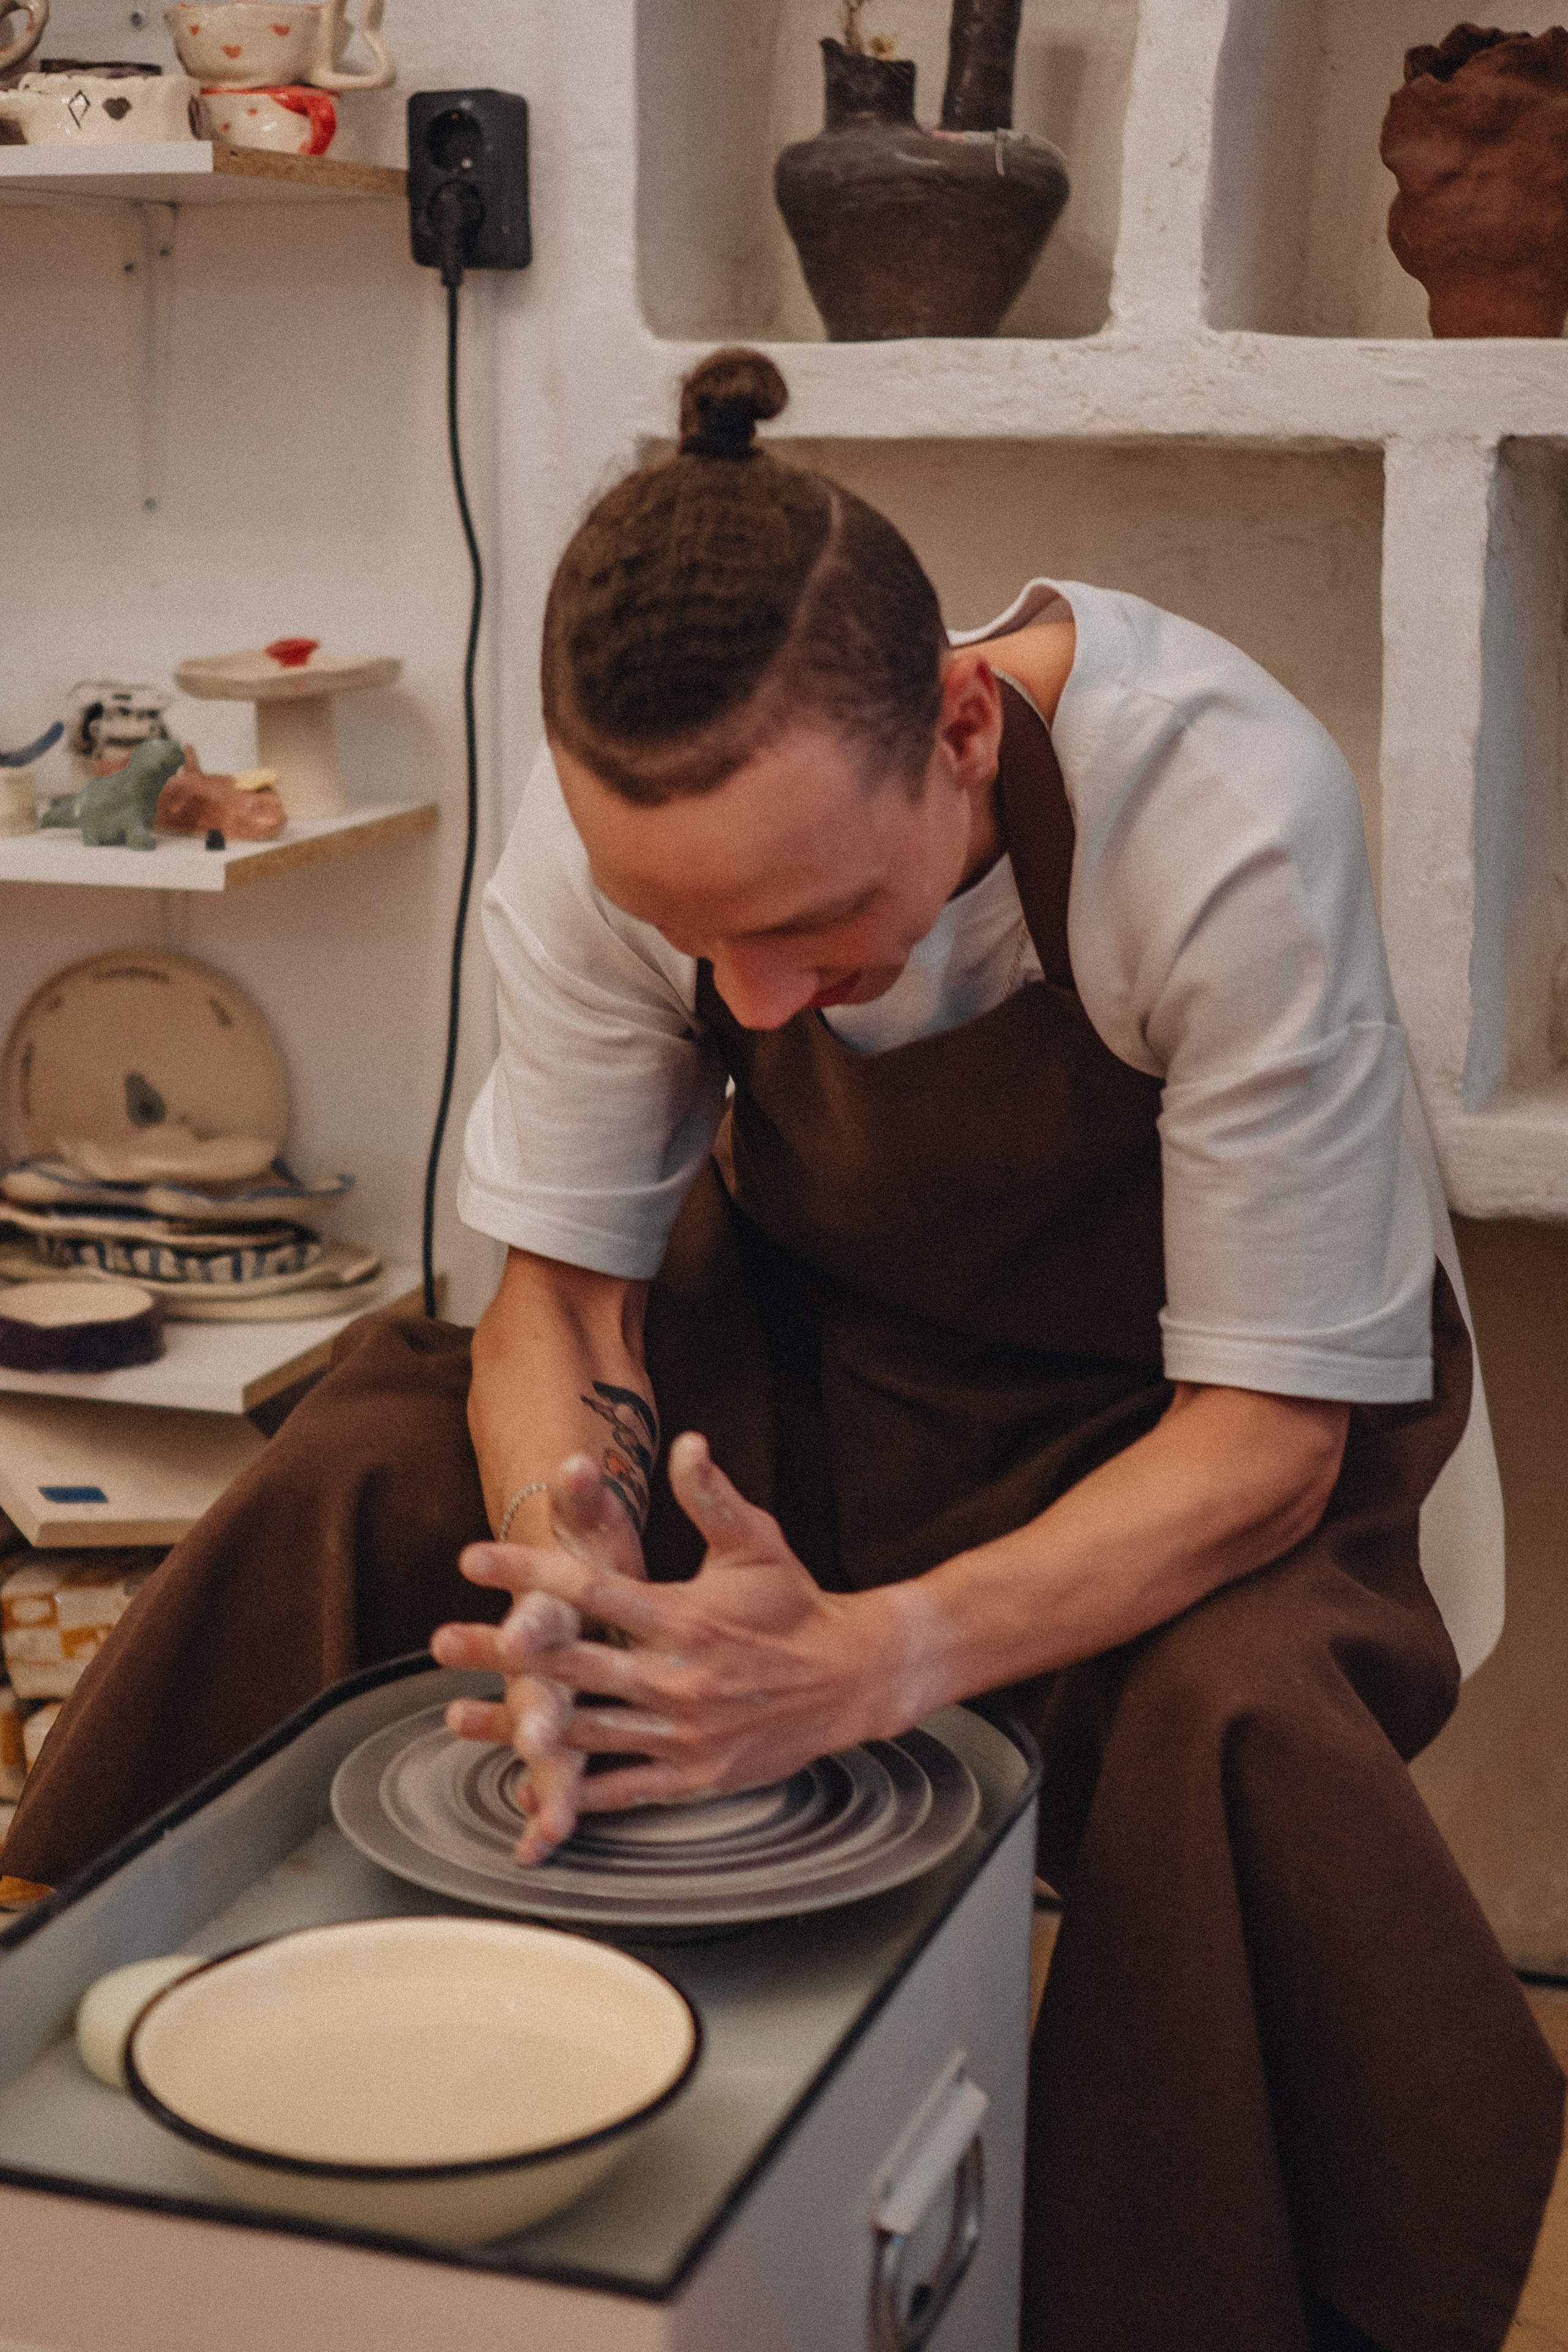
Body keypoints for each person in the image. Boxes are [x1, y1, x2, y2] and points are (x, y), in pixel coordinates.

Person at [8, 349, 1561, 2352]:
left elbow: (1266, 1438)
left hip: (1174, 1421)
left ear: (962, 722)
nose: (754, 996)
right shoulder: (607, 836)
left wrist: (871, 1658)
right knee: (372, 1459)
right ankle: (153, 2145)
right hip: (821, 1367)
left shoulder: (1221, 807)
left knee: (1239, 1716)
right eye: (700, 941)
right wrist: (570, 1554)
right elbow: (563, 1297)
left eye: (818, 925)